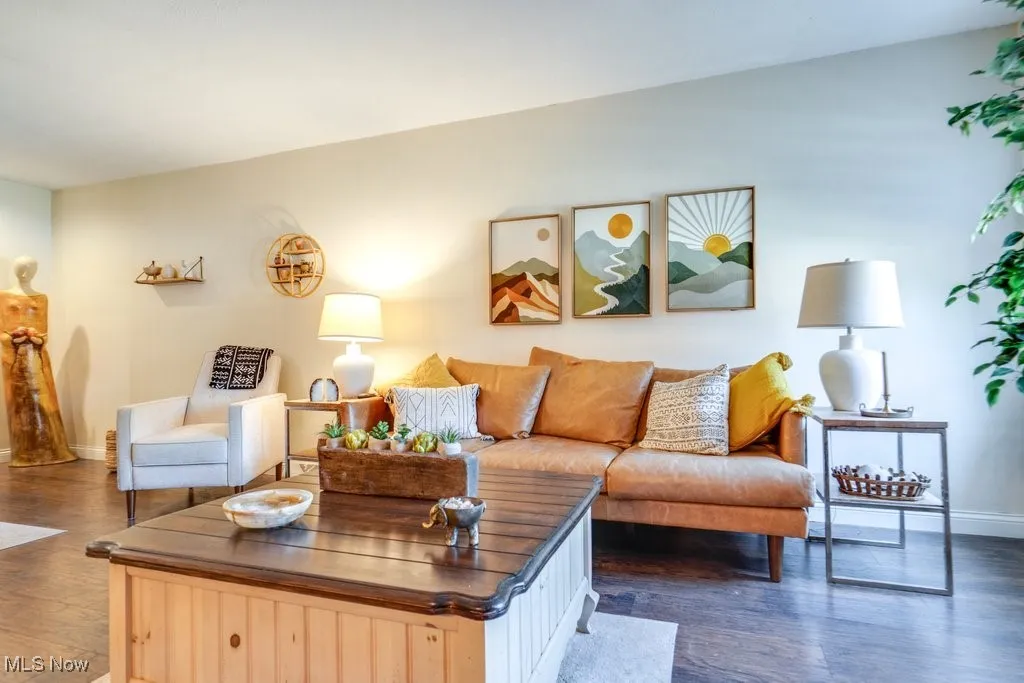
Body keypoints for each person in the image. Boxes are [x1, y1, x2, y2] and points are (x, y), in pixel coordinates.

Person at [0, 256, 76, 466]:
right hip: (14, 357)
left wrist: (36, 338)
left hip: (37, 356)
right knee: (19, 403)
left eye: (31, 269)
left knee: (44, 399)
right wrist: (13, 338)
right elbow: (2, 331)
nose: (26, 273)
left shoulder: (42, 298)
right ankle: (25, 452)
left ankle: (51, 449)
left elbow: (44, 332)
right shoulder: (2, 296)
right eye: (23, 268)